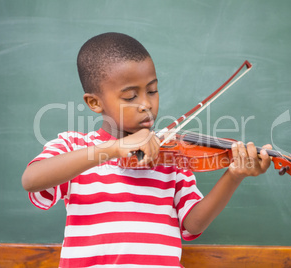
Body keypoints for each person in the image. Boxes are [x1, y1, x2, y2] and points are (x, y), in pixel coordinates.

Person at [22, 32, 272, 268]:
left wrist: (234, 175)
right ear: (95, 102)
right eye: (130, 97)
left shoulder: (170, 156)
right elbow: (32, 180)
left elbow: (193, 225)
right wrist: (113, 148)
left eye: (152, 91)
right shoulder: (75, 148)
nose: (146, 104)